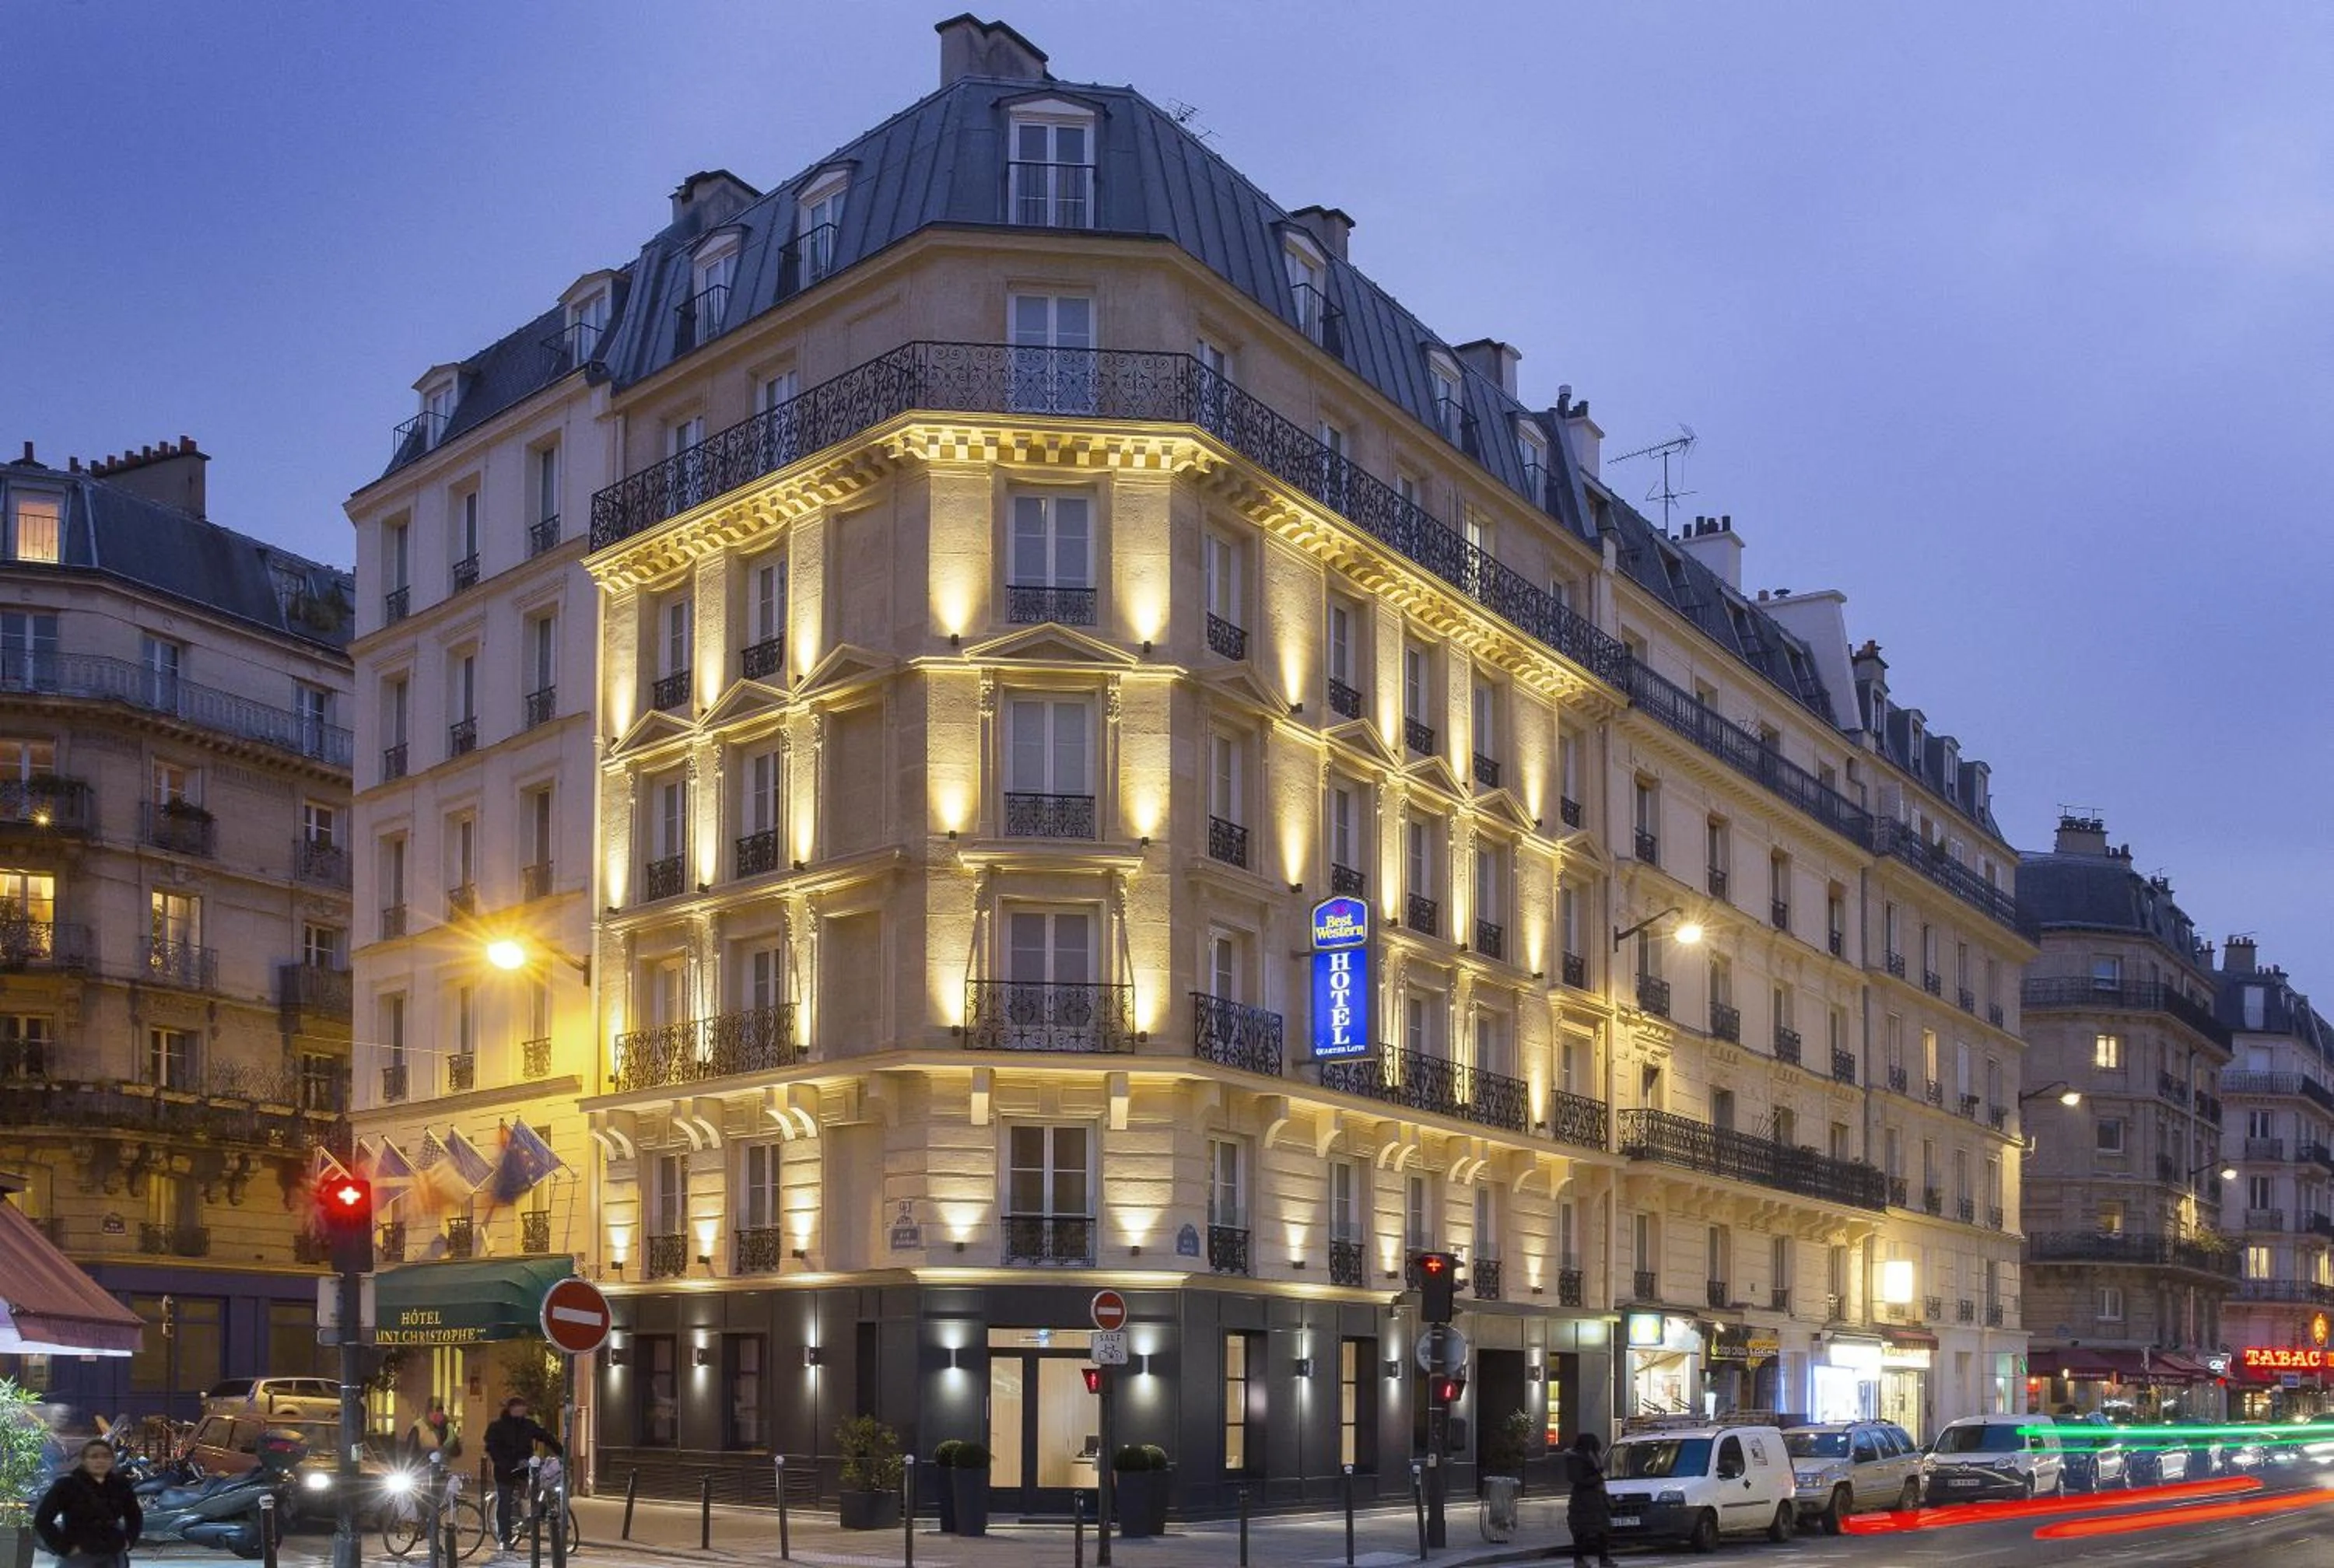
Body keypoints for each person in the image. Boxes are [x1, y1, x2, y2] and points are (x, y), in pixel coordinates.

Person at [33, 1438, 142, 1568]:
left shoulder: (120, 1485)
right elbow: (42, 1519)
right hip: (79, 1555)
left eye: (105, 1456)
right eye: (94, 1456)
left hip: (113, 1552)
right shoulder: (67, 1485)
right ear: (84, 1460)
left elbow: (134, 1515)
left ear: (112, 1460)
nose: (100, 1461)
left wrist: (129, 1540)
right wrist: (63, 1547)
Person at [482, 1396, 563, 1552]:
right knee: (504, 1501)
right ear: (511, 1409)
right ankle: (504, 1539)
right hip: (504, 1471)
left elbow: (545, 1436)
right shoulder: (497, 1427)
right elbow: (492, 1448)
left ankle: (531, 1518)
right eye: (519, 1408)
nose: (522, 1411)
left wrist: (561, 1453)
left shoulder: (528, 1425)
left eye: (523, 1408)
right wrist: (506, 1463)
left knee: (540, 1489)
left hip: (525, 1469)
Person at [1565, 1430, 1616, 1568]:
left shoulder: (1592, 1456)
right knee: (1582, 1531)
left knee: (1602, 1530)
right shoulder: (1576, 1458)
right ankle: (1581, 1560)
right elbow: (1578, 1479)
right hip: (1584, 1501)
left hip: (1597, 1499)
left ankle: (1603, 1559)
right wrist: (1599, 1478)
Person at [400, 1397, 457, 1465]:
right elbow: (410, 1452)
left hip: (438, 1468)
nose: (438, 1417)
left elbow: (453, 1450)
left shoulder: (442, 1428)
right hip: (421, 1468)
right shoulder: (418, 1428)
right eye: (435, 1413)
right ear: (429, 1413)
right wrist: (429, 1452)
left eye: (440, 1414)